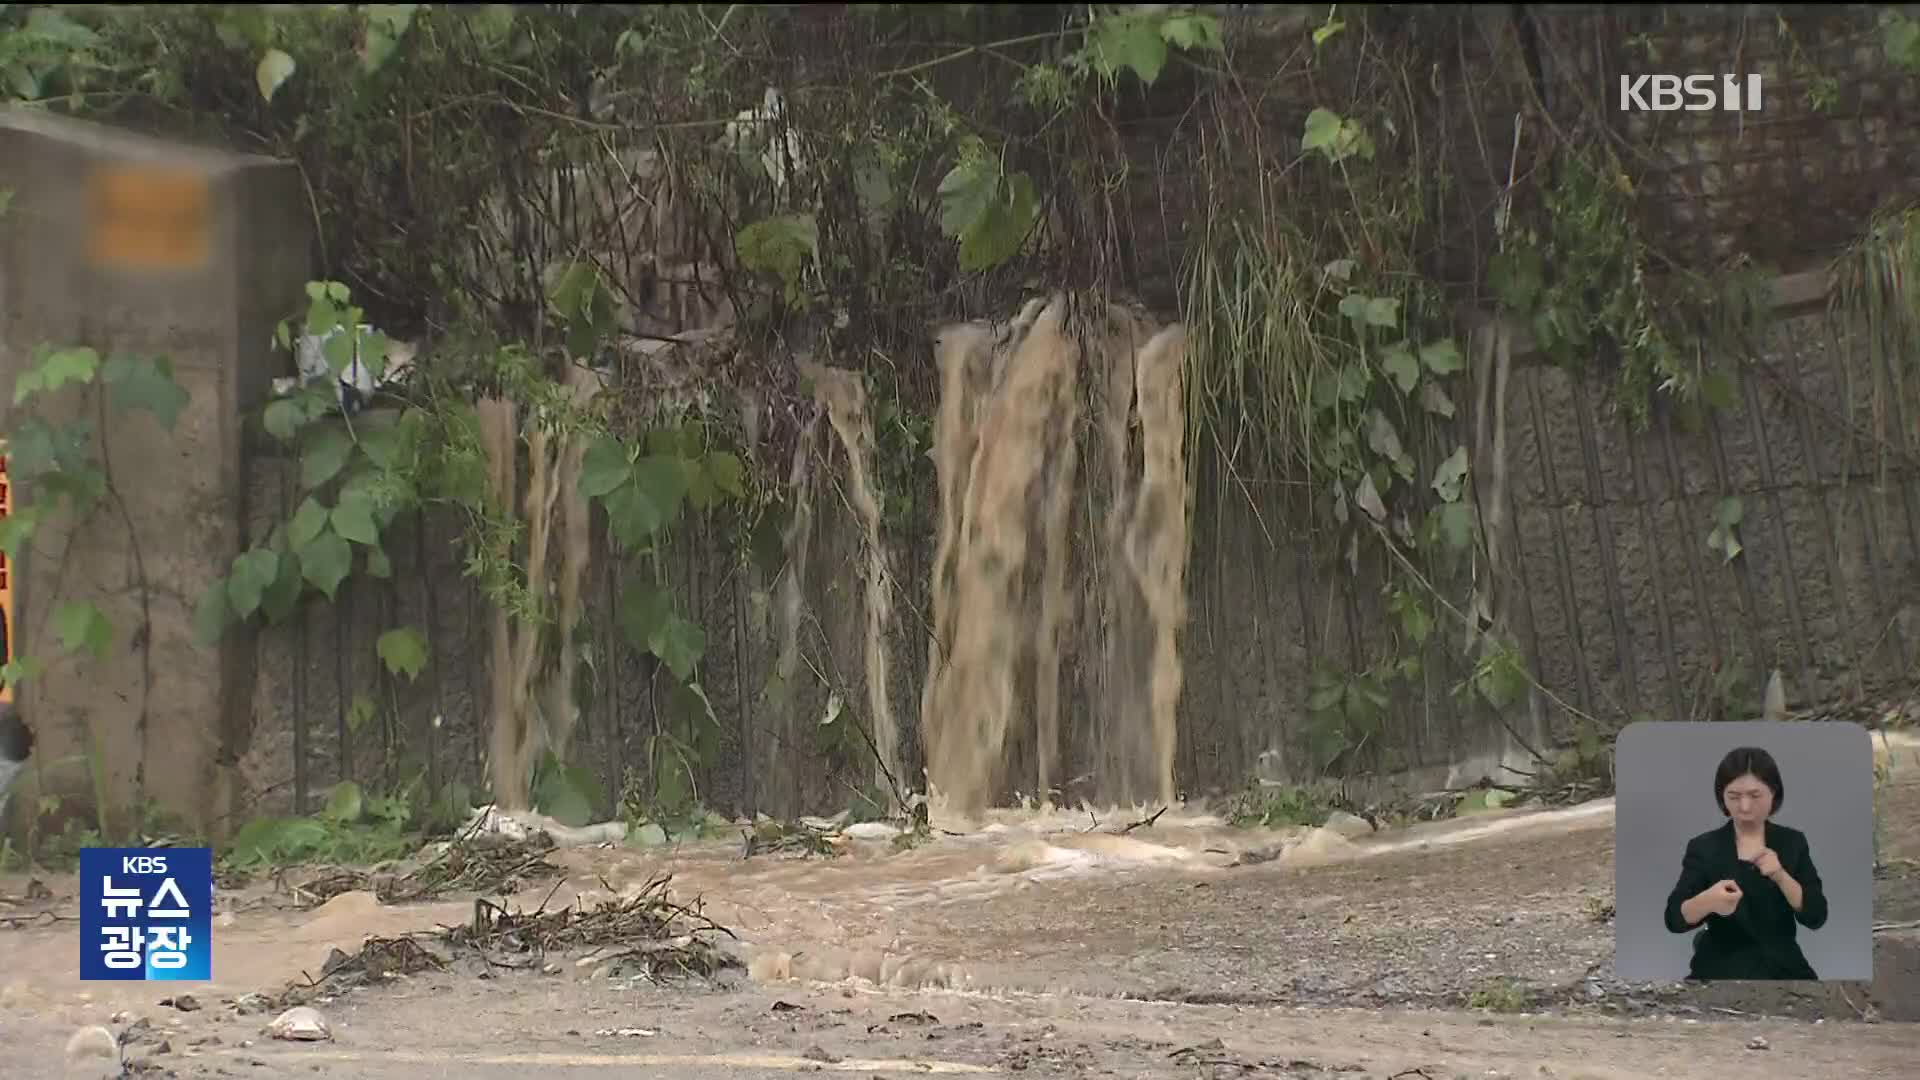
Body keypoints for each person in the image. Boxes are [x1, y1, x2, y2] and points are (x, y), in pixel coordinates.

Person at [1662, 745, 1829, 980]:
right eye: (1734, 796)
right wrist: (1708, 901)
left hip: (1784, 968)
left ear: (1774, 793)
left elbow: (1816, 915)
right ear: (1722, 797)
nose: (1745, 807)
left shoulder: (1792, 842)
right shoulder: (1703, 847)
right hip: (1719, 969)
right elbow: (1674, 919)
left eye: (1755, 795)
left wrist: (1781, 875)